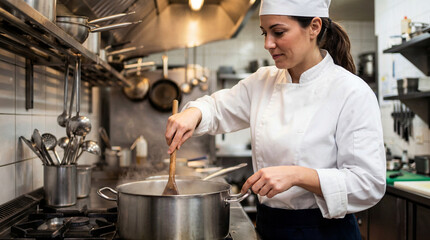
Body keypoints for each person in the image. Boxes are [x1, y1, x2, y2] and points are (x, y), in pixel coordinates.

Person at [165, 0, 386, 239]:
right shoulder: (264, 81)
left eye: (278, 32)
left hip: (324, 232)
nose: (268, 44)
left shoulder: (352, 91)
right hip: (270, 227)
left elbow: (368, 184)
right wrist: (193, 113)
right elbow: (217, 107)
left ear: (314, 27)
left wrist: (297, 175)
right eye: (264, 32)